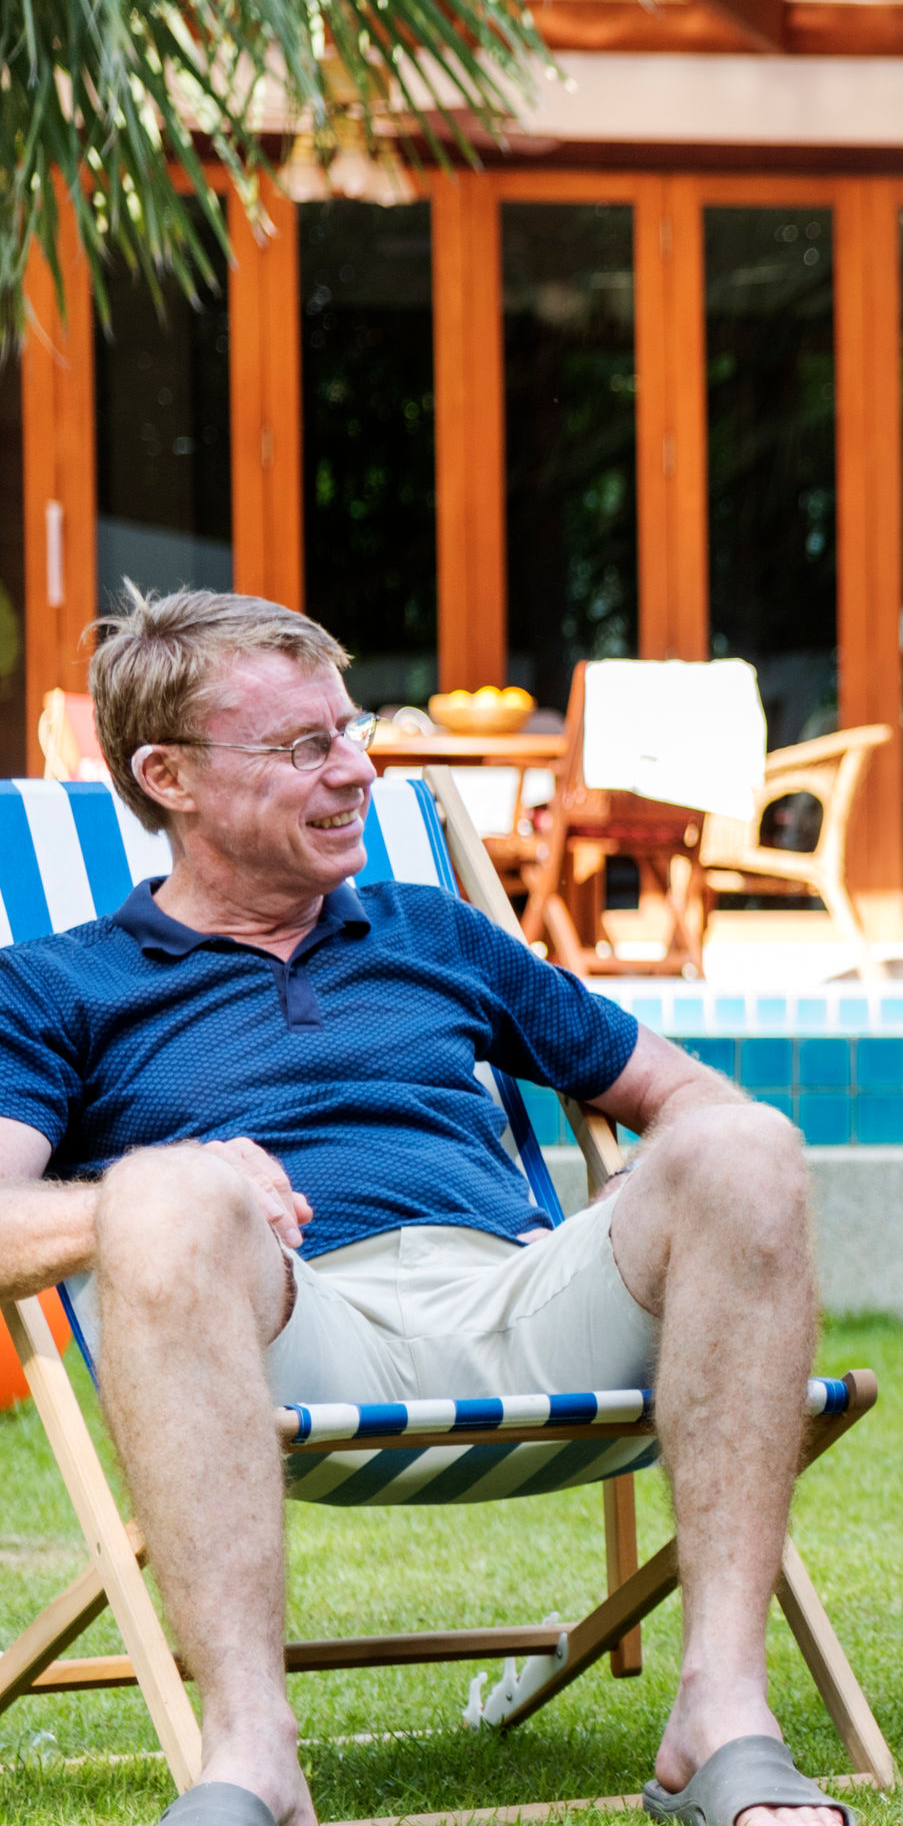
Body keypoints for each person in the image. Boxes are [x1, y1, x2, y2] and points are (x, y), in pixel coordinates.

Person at [0, 592, 844, 1826]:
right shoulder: (58, 984)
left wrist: (636, 1214)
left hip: (519, 1299)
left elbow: (689, 1099)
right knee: (168, 1187)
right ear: (168, 776)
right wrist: (163, 1191)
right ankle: (253, 1759)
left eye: (351, 730)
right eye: (304, 748)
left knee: (748, 1144)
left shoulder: (431, 929)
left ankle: (720, 1713)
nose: (356, 771)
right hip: (286, 1327)